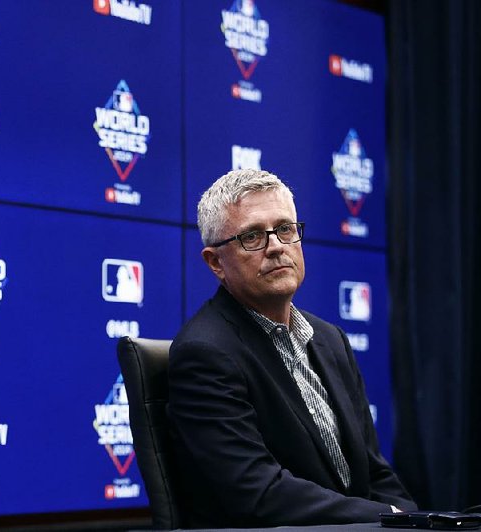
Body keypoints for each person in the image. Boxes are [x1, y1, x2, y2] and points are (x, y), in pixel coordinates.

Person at [168, 169, 416, 527]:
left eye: (285, 229)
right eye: (252, 236)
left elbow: (375, 471)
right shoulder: (204, 353)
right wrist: (386, 518)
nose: (276, 247)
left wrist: (411, 520)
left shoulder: (330, 339)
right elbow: (258, 493)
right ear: (216, 262)